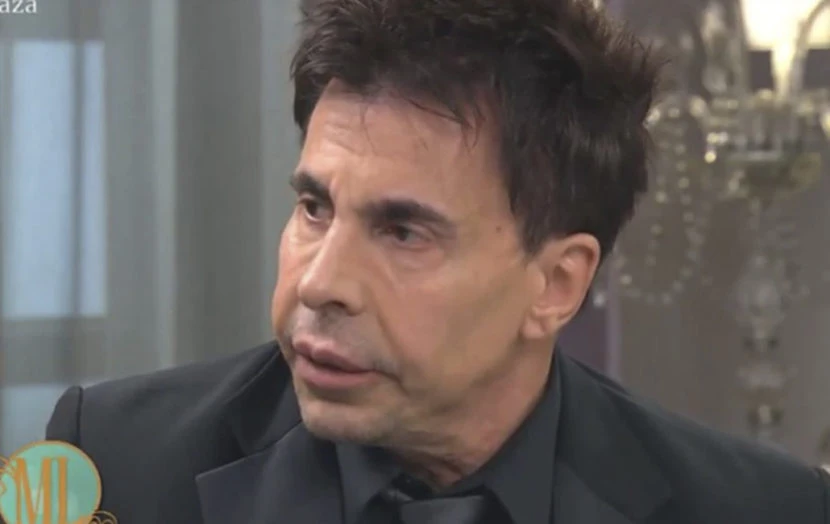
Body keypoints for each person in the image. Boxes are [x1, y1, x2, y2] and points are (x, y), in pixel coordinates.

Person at [46, 0, 830, 522]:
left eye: (403, 232)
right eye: (314, 208)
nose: (319, 283)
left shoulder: (766, 511)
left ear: (556, 284)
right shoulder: (107, 462)